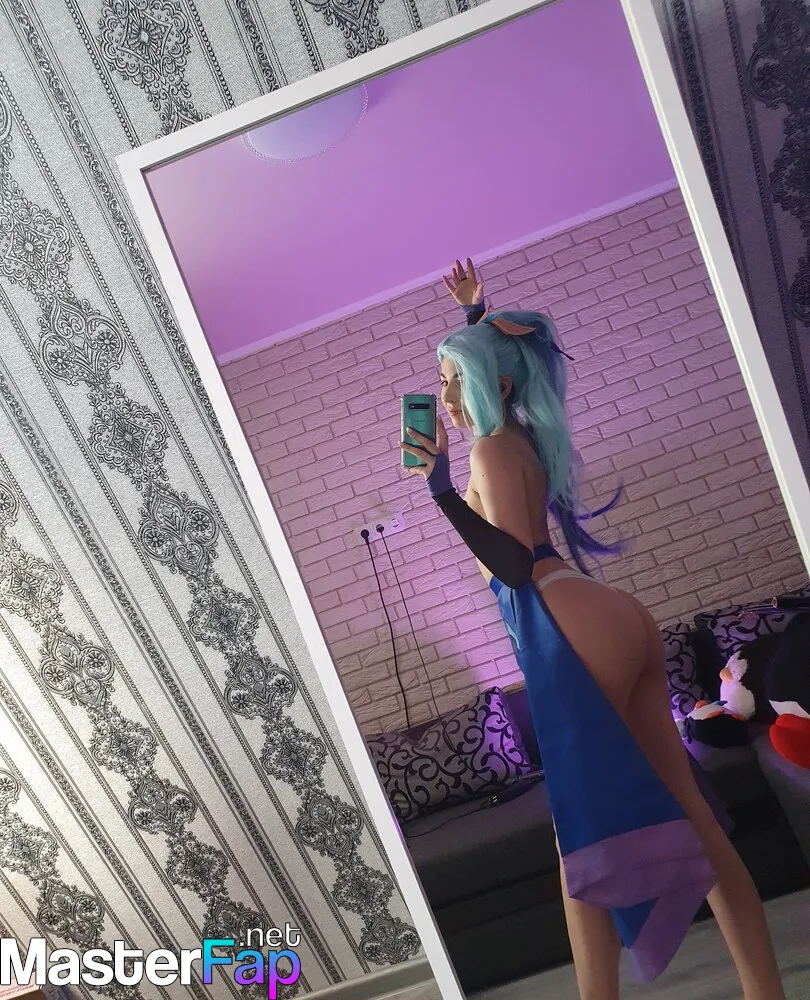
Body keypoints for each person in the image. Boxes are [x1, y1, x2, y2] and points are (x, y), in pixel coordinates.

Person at [399, 259, 786, 1000]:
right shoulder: (517, 439)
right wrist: (477, 315)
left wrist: (441, 492)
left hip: (559, 619)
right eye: (441, 382)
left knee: (579, 846)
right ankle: (764, 989)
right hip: (606, 613)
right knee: (692, 814)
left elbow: (513, 565)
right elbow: (504, 374)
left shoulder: (488, 451)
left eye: (453, 381)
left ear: (494, 385)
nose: (443, 398)